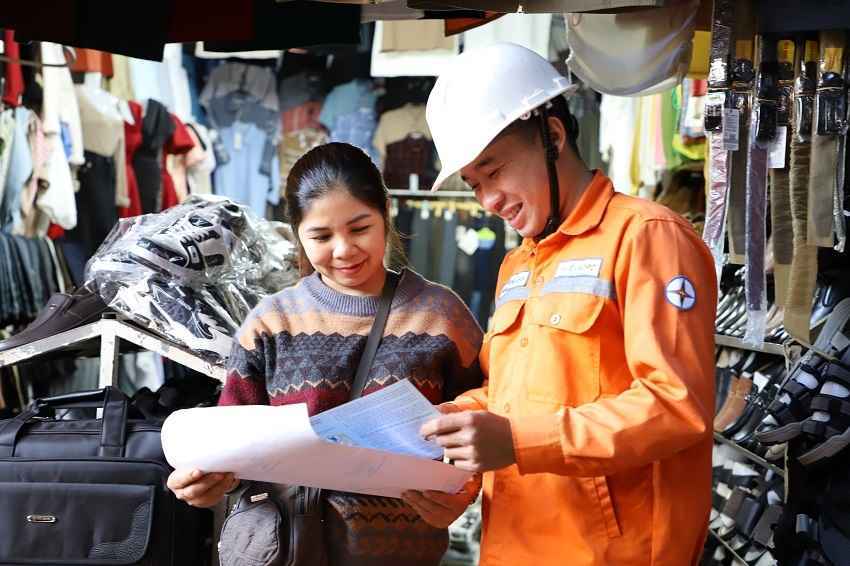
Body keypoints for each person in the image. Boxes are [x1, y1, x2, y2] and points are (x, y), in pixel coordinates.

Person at [402, 43, 717, 565]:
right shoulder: (517, 265)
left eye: (494, 171)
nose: (488, 200)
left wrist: (518, 441)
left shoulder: (646, 237)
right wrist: (453, 424)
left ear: (552, 136)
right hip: (510, 547)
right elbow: (511, 396)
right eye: (474, 184)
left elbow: (674, 405)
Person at [167, 142, 484, 565]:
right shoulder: (270, 323)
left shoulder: (442, 317)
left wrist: (464, 490)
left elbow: (484, 430)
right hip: (286, 549)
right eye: (321, 236)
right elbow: (230, 449)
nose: (343, 250)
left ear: (387, 211)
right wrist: (206, 483)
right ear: (298, 232)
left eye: (359, 228)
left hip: (400, 554)